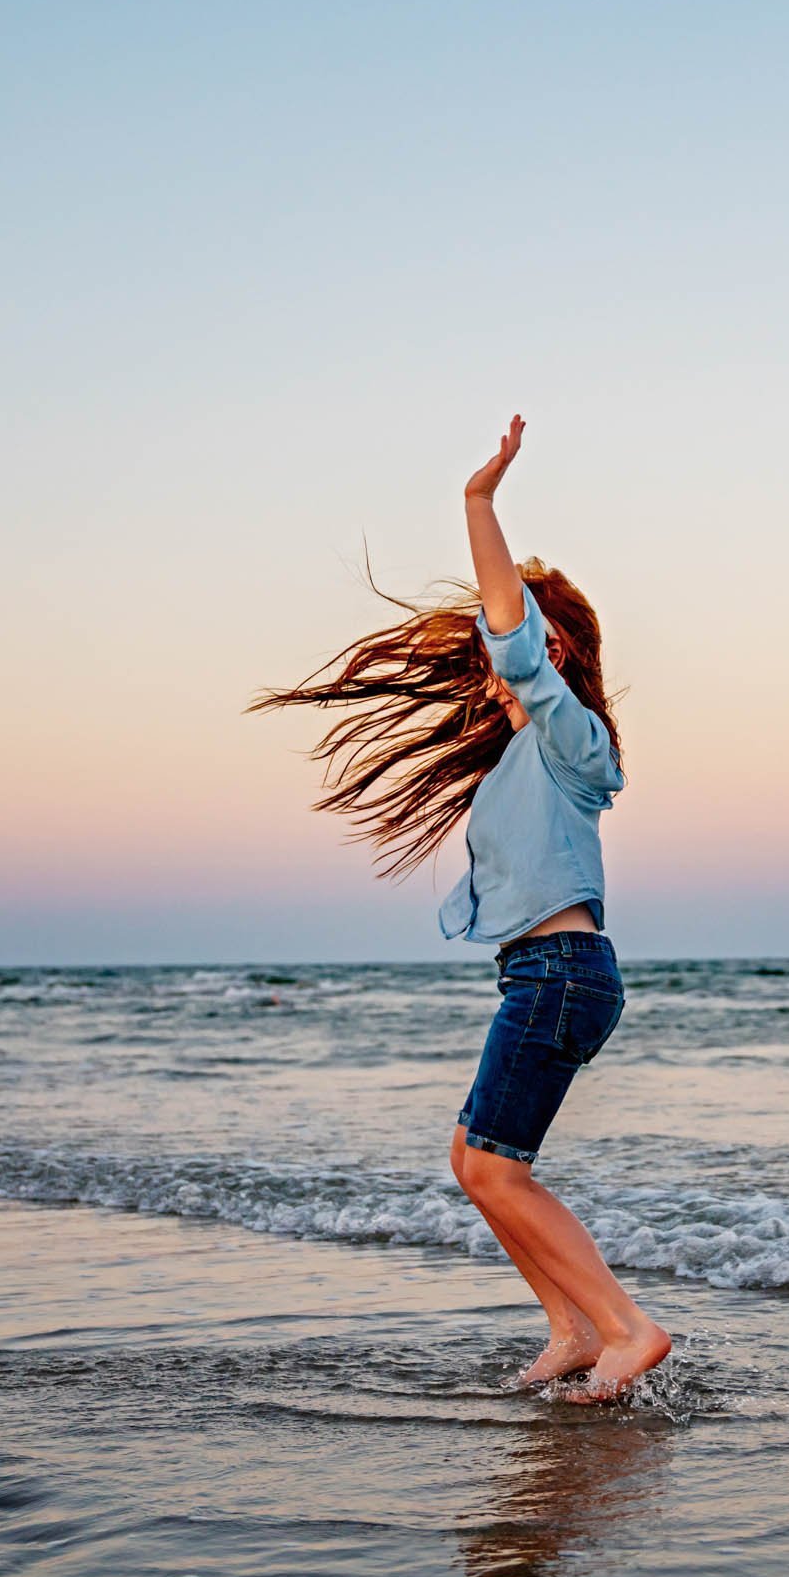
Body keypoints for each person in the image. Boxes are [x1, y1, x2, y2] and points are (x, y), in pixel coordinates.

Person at [249, 416, 670, 1401]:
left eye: (509, 642)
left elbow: (516, 641)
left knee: (494, 1170)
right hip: (543, 977)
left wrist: (478, 501)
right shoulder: (527, 753)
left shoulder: (570, 738)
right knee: (472, 1161)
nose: (492, 657)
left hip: (559, 976)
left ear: (550, 649)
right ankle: (572, 1326)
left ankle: (626, 1328)